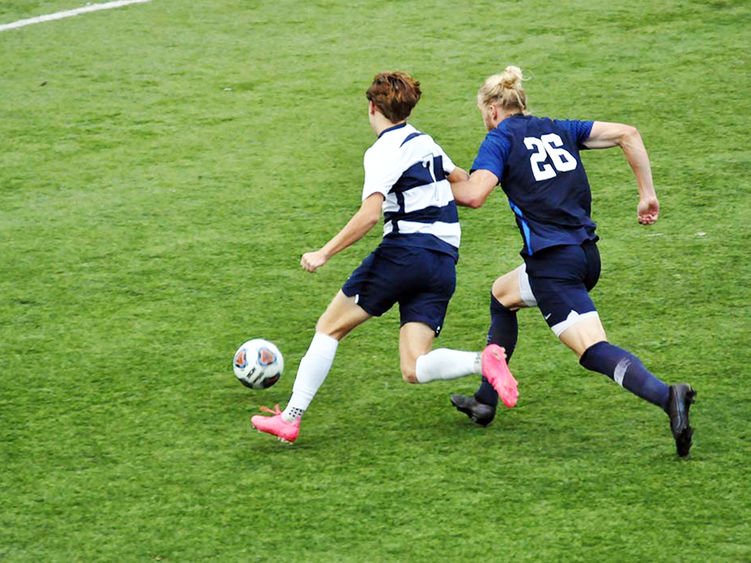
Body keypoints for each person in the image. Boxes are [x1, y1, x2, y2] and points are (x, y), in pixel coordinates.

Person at [251, 71, 517, 443]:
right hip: (443, 262)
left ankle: (291, 417)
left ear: (372, 107)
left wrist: (324, 252)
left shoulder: (381, 151)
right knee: (413, 366)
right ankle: (483, 361)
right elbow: (460, 181)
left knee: (330, 327)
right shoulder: (425, 142)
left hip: (404, 253)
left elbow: (370, 214)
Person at [448, 66, 696, 457]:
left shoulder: (498, 140)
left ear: (493, 109)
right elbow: (627, 134)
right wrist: (647, 194)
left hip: (553, 266)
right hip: (585, 255)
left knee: (592, 350)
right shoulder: (559, 128)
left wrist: (436, 174)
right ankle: (485, 400)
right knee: (502, 295)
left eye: (483, 112)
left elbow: (475, 195)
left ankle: (668, 396)